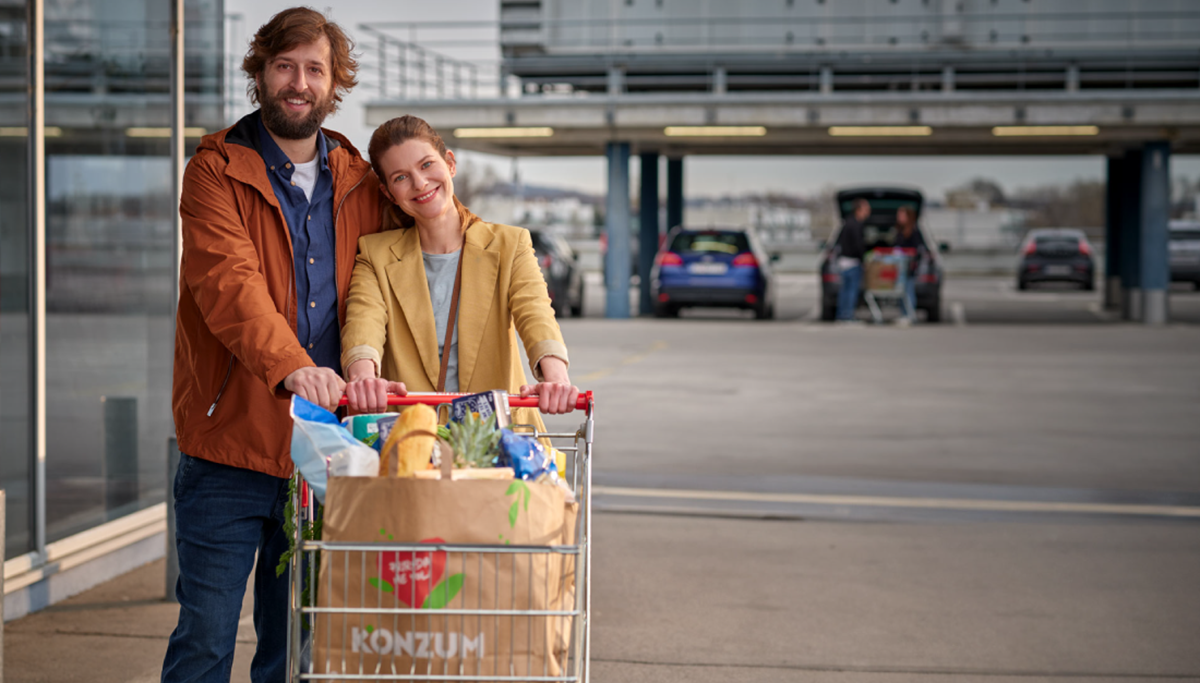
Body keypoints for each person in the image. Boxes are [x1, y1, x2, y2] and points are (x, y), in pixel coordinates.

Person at [163, 8, 384, 682]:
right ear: (259, 72)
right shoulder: (214, 171)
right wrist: (292, 366)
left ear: (333, 83)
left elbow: (431, 233)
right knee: (205, 637)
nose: (298, 82)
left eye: (314, 69)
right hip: (228, 447)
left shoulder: (360, 179)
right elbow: (227, 283)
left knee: (298, 648)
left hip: (325, 451)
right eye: (284, 66)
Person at [341, 115, 578, 423]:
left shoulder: (509, 244)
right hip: (413, 442)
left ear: (450, 163)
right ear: (389, 193)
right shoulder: (376, 255)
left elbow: (535, 312)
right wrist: (363, 376)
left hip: (499, 441)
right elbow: (363, 322)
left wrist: (556, 376)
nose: (420, 183)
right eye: (400, 177)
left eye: (427, 165)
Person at [835, 198, 870, 322]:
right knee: (851, 291)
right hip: (853, 262)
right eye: (866, 209)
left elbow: (838, 243)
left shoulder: (846, 223)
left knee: (844, 290)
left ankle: (841, 315)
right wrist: (864, 260)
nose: (868, 212)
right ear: (859, 210)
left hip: (843, 262)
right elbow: (858, 245)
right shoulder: (856, 224)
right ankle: (848, 316)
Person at [893, 205, 925, 321]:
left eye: (901, 214)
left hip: (908, 267)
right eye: (898, 214)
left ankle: (910, 314)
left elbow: (918, 250)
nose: (898, 217)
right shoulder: (899, 231)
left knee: (908, 290)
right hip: (899, 267)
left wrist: (909, 257)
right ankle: (904, 313)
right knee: (901, 290)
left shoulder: (914, 231)